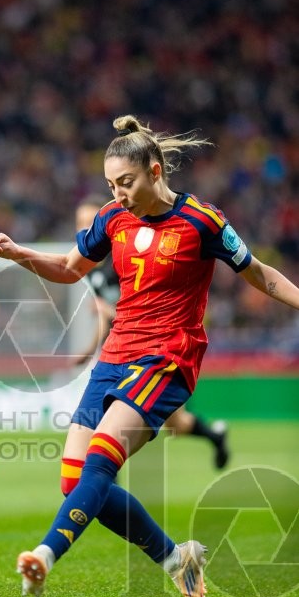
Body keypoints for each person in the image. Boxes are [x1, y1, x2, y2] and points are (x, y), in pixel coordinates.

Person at [0, 114, 299, 597]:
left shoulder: (203, 221)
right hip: (116, 355)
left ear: (155, 171)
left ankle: (44, 556)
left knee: (101, 461)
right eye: (110, 184)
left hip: (168, 357)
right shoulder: (112, 219)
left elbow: (259, 273)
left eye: (125, 182)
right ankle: (178, 560)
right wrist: (20, 254)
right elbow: (69, 269)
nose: (118, 193)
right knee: (75, 482)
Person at [75, 197, 230, 470]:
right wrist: (90, 348)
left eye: (90, 222)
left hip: (156, 353)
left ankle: (214, 437)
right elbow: (105, 317)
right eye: (81, 224)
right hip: (120, 352)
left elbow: (141, 307)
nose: (87, 228)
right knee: (119, 429)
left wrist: (105, 314)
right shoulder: (93, 271)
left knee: (174, 424)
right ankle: (214, 435)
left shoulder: (127, 254)